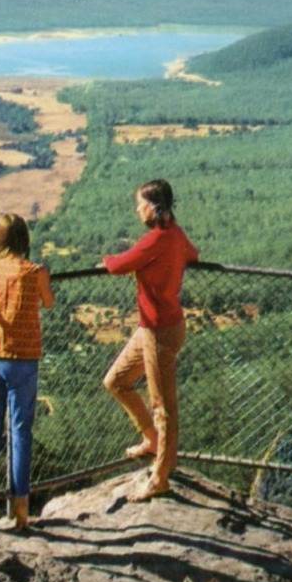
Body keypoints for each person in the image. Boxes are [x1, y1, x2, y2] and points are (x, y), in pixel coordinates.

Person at [102, 179, 199, 502]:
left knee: (163, 407)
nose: (136, 209)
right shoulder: (176, 236)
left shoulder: (156, 240)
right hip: (156, 327)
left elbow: (118, 266)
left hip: (159, 332)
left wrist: (105, 260)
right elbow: (193, 254)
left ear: (154, 208)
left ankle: (160, 477)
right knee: (116, 381)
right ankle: (151, 439)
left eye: (140, 204)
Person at [0, 213, 54, 533]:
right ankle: (21, 507)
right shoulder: (35, 272)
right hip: (23, 359)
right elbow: (47, 303)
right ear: (24, 239)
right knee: (20, 430)